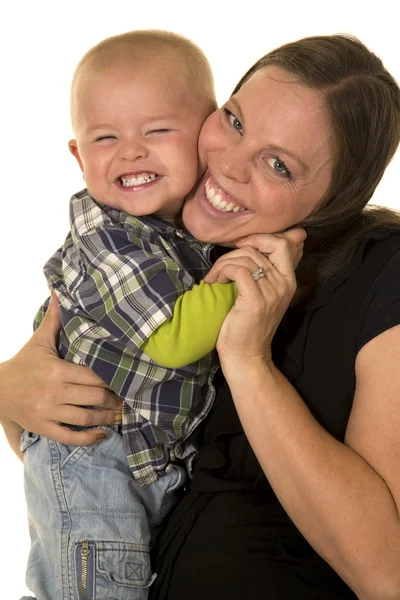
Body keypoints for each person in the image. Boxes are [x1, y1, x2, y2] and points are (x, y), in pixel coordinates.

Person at [1, 33, 400, 599]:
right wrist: (10, 395)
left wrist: (248, 359)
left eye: (279, 164)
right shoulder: (176, 250)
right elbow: (89, 465)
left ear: (337, 200)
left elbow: (387, 576)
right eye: (235, 121)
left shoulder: (383, 273)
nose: (228, 166)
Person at [13, 29, 243, 600]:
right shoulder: (110, 233)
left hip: (136, 458)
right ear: (78, 155)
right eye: (105, 136)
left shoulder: (181, 236)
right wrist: (248, 277)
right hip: (95, 458)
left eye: (158, 130)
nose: (131, 151)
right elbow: (170, 339)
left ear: (205, 133)